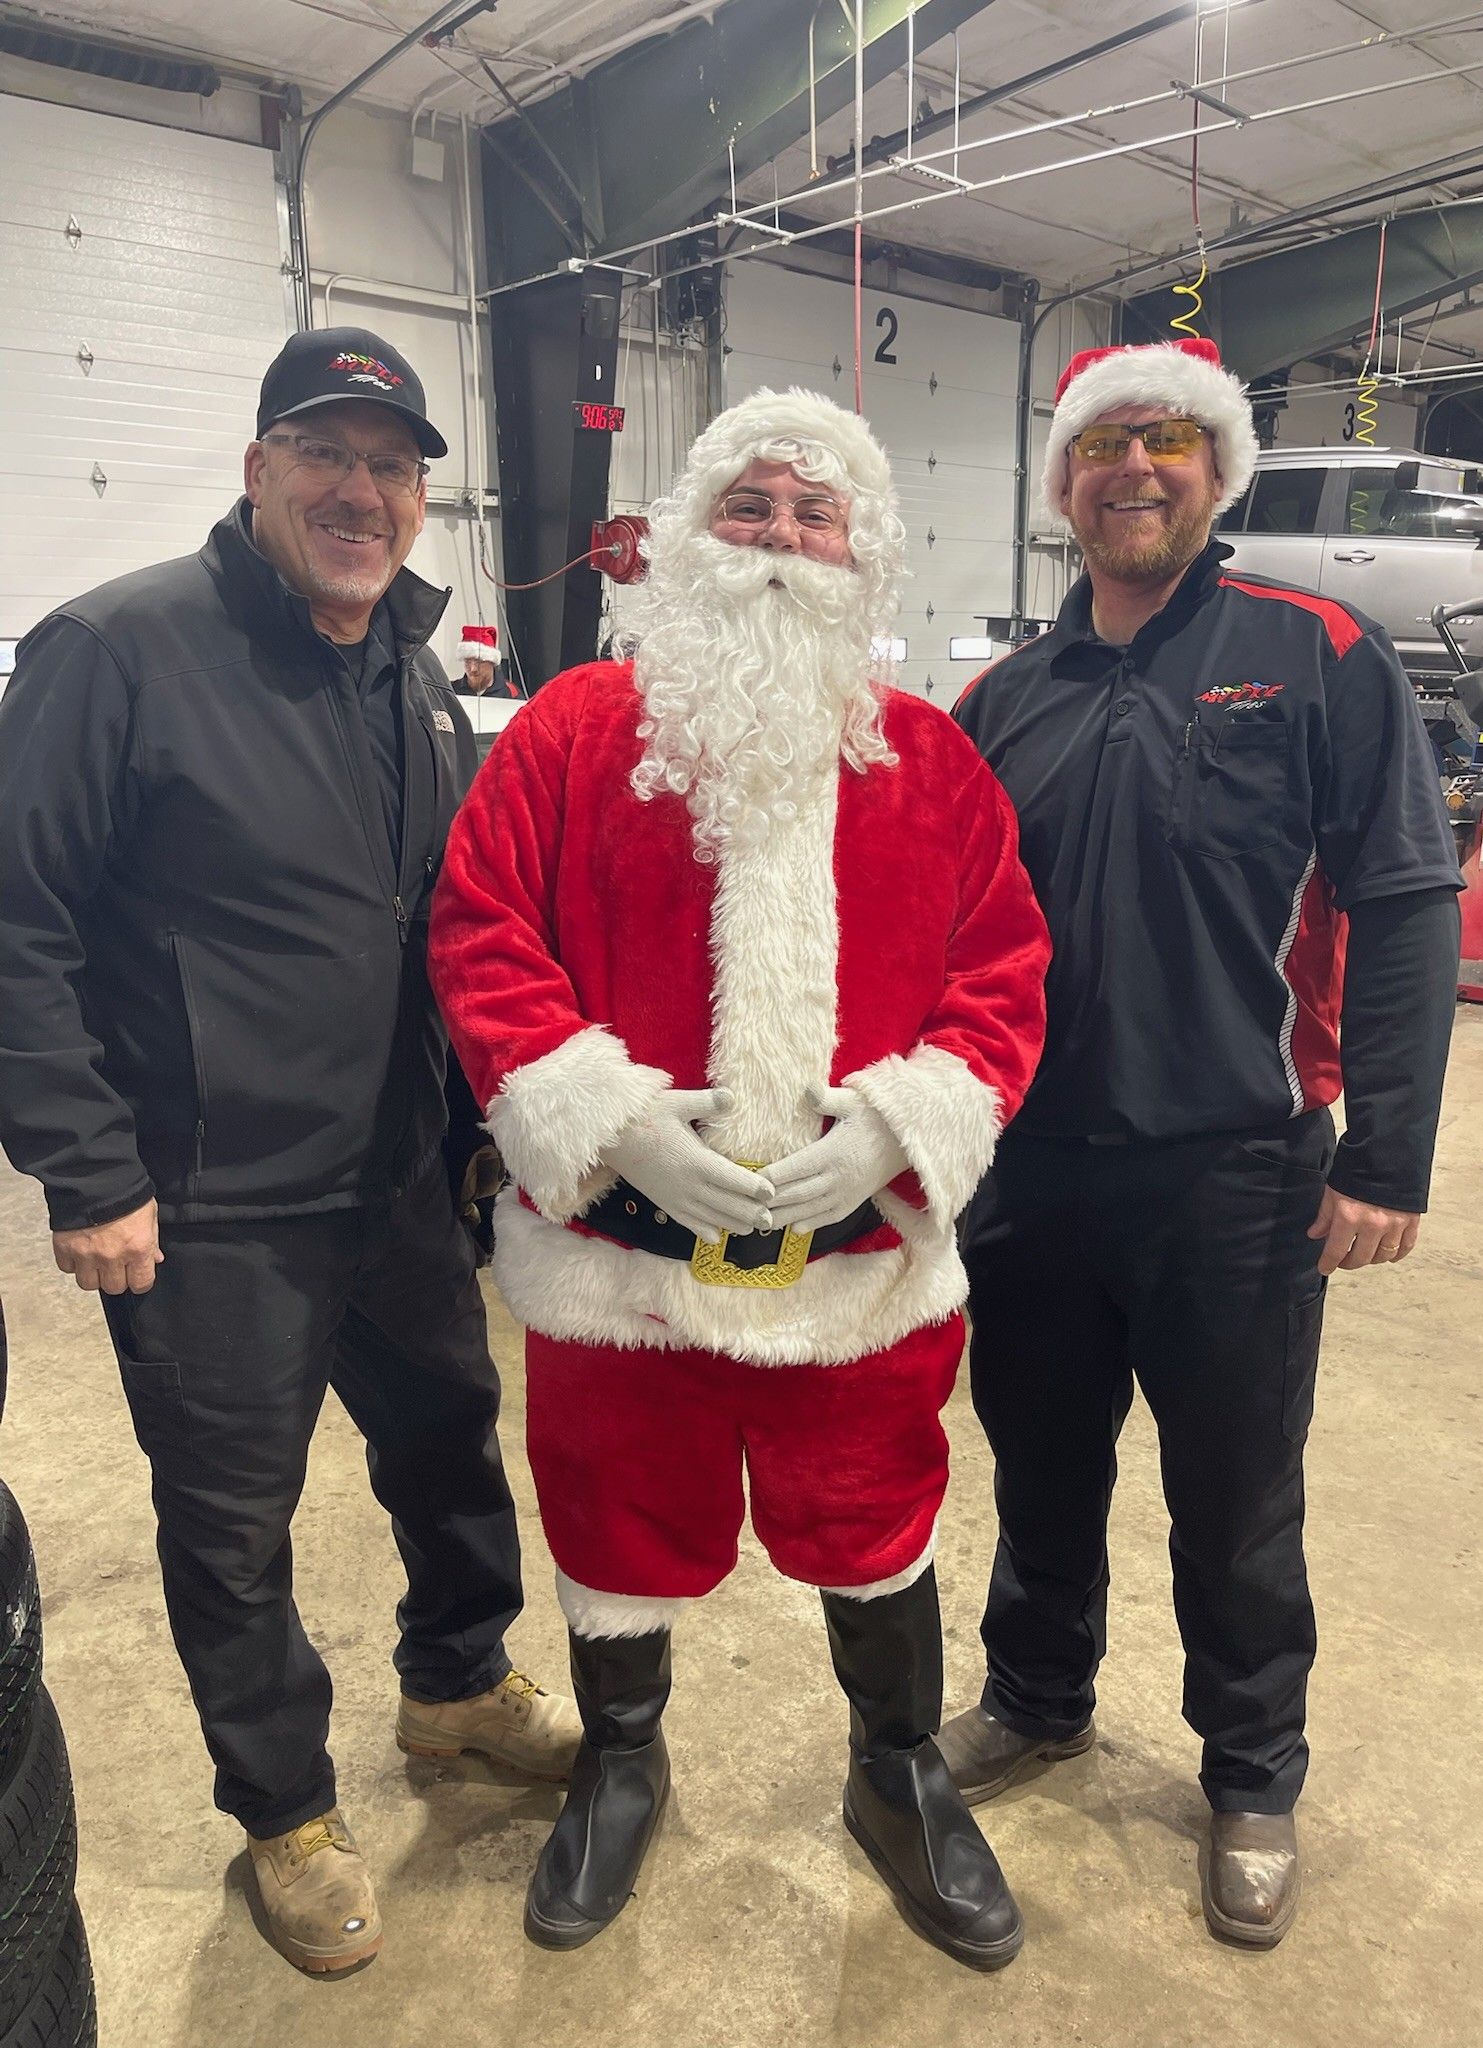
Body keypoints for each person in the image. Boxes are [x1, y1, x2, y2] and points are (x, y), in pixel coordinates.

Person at [428, 387, 1052, 1968]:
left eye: (813, 512)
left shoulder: (930, 759)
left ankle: (896, 1769)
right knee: (610, 1519)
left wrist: (903, 1129)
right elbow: (483, 930)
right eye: (748, 506)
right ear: (687, 537)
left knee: (878, 1516)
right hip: (620, 1265)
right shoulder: (570, 733)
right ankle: (622, 1764)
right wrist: (609, 1121)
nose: (779, 538)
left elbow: (1002, 970)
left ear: (860, 551)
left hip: (857, 1268)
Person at [0, 326, 578, 1976]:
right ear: (258, 469)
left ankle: (456, 1684)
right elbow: (19, 922)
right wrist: (86, 1164)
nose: (359, 491)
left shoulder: (408, 668)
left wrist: (476, 1129)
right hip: (206, 1201)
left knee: (452, 1444)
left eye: (391, 466)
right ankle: (285, 1808)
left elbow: (435, 925)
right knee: (232, 1522)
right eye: (325, 453)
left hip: (392, 1177)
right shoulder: (116, 651)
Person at [943, 337, 1464, 1949]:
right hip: (1030, 1171)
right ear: (1062, 485)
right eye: (1101, 445)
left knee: (1235, 1500)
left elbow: (1406, 900)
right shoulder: (1002, 700)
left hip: (1234, 1171)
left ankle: (1250, 1769)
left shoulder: (1315, 655)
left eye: (1166, 439)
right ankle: (1037, 1698)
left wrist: (1386, 1156)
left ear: (1216, 470)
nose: (1133, 470)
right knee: (1039, 1466)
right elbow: (938, 928)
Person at [452, 622, 521, 700]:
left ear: (492, 662)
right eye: (468, 662)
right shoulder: (452, 691)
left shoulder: (511, 693)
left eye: (479, 662)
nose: (473, 669)